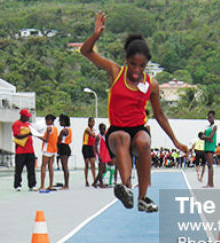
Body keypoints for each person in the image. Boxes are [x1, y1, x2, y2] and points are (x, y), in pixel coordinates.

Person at [80, 11, 187, 212]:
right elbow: (85, 52)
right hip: (117, 131)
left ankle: (143, 197)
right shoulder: (115, 72)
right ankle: (127, 188)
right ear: (126, 60)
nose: (137, 70)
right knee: (123, 138)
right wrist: (95, 36)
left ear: (147, 65)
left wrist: (175, 141)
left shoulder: (151, 85)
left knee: (144, 142)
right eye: (133, 65)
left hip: (138, 129)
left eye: (142, 66)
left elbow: (160, 115)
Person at [12, 108, 36, 191]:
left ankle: (32, 184)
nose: (28, 118)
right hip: (20, 151)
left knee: (31, 169)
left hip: (30, 150)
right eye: (27, 116)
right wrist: (27, 134)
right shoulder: (16, 124)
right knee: (19, 169)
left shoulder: (28, 124)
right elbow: (17, 135)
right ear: (22, 116)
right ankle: (17, 185)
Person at [38, 114, 58, 192]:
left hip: (47, 149)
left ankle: (42, 185)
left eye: (46, 120)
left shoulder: (49, 128)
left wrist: (37, 136)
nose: (45, 122)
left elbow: (46, 139)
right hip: (53, 149)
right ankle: (50, 185)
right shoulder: (55, 128)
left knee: (43, 166)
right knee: (50, 167)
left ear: (49, 120)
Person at [200, 110, 217, 188]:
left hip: (211, 147)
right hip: (206, 146)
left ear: (214, 117)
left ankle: (210, 183)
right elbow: (202, 136)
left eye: (211, 117)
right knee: (208, 165)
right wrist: (206, 138)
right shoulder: (206, 127)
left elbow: (211, 136)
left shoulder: (214, 126)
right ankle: (209, 182)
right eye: (208, 117)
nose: (209, 119)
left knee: (210, 165)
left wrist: (205, 137)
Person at [57, 113, 72, 189]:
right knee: (64, 166)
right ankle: (66, 184)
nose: (59, 122)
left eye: (60, 121)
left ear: (63, 121)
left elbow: (59, 140)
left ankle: (66, 185)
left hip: (64, 147)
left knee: (65, 166)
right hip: (66, 147)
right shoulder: (69, 129)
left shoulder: (64, 130)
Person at [82, 116, 97, 186]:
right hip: (86, 146)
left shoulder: (94, 130)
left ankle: (94, 179)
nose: (92, 123)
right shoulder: (87, 129)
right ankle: (86, 180)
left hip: (91, 147)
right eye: (91, 122)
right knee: (87, 164)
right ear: (88, 122)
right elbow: (92, 135)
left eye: (93, 122)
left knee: (93, 164)